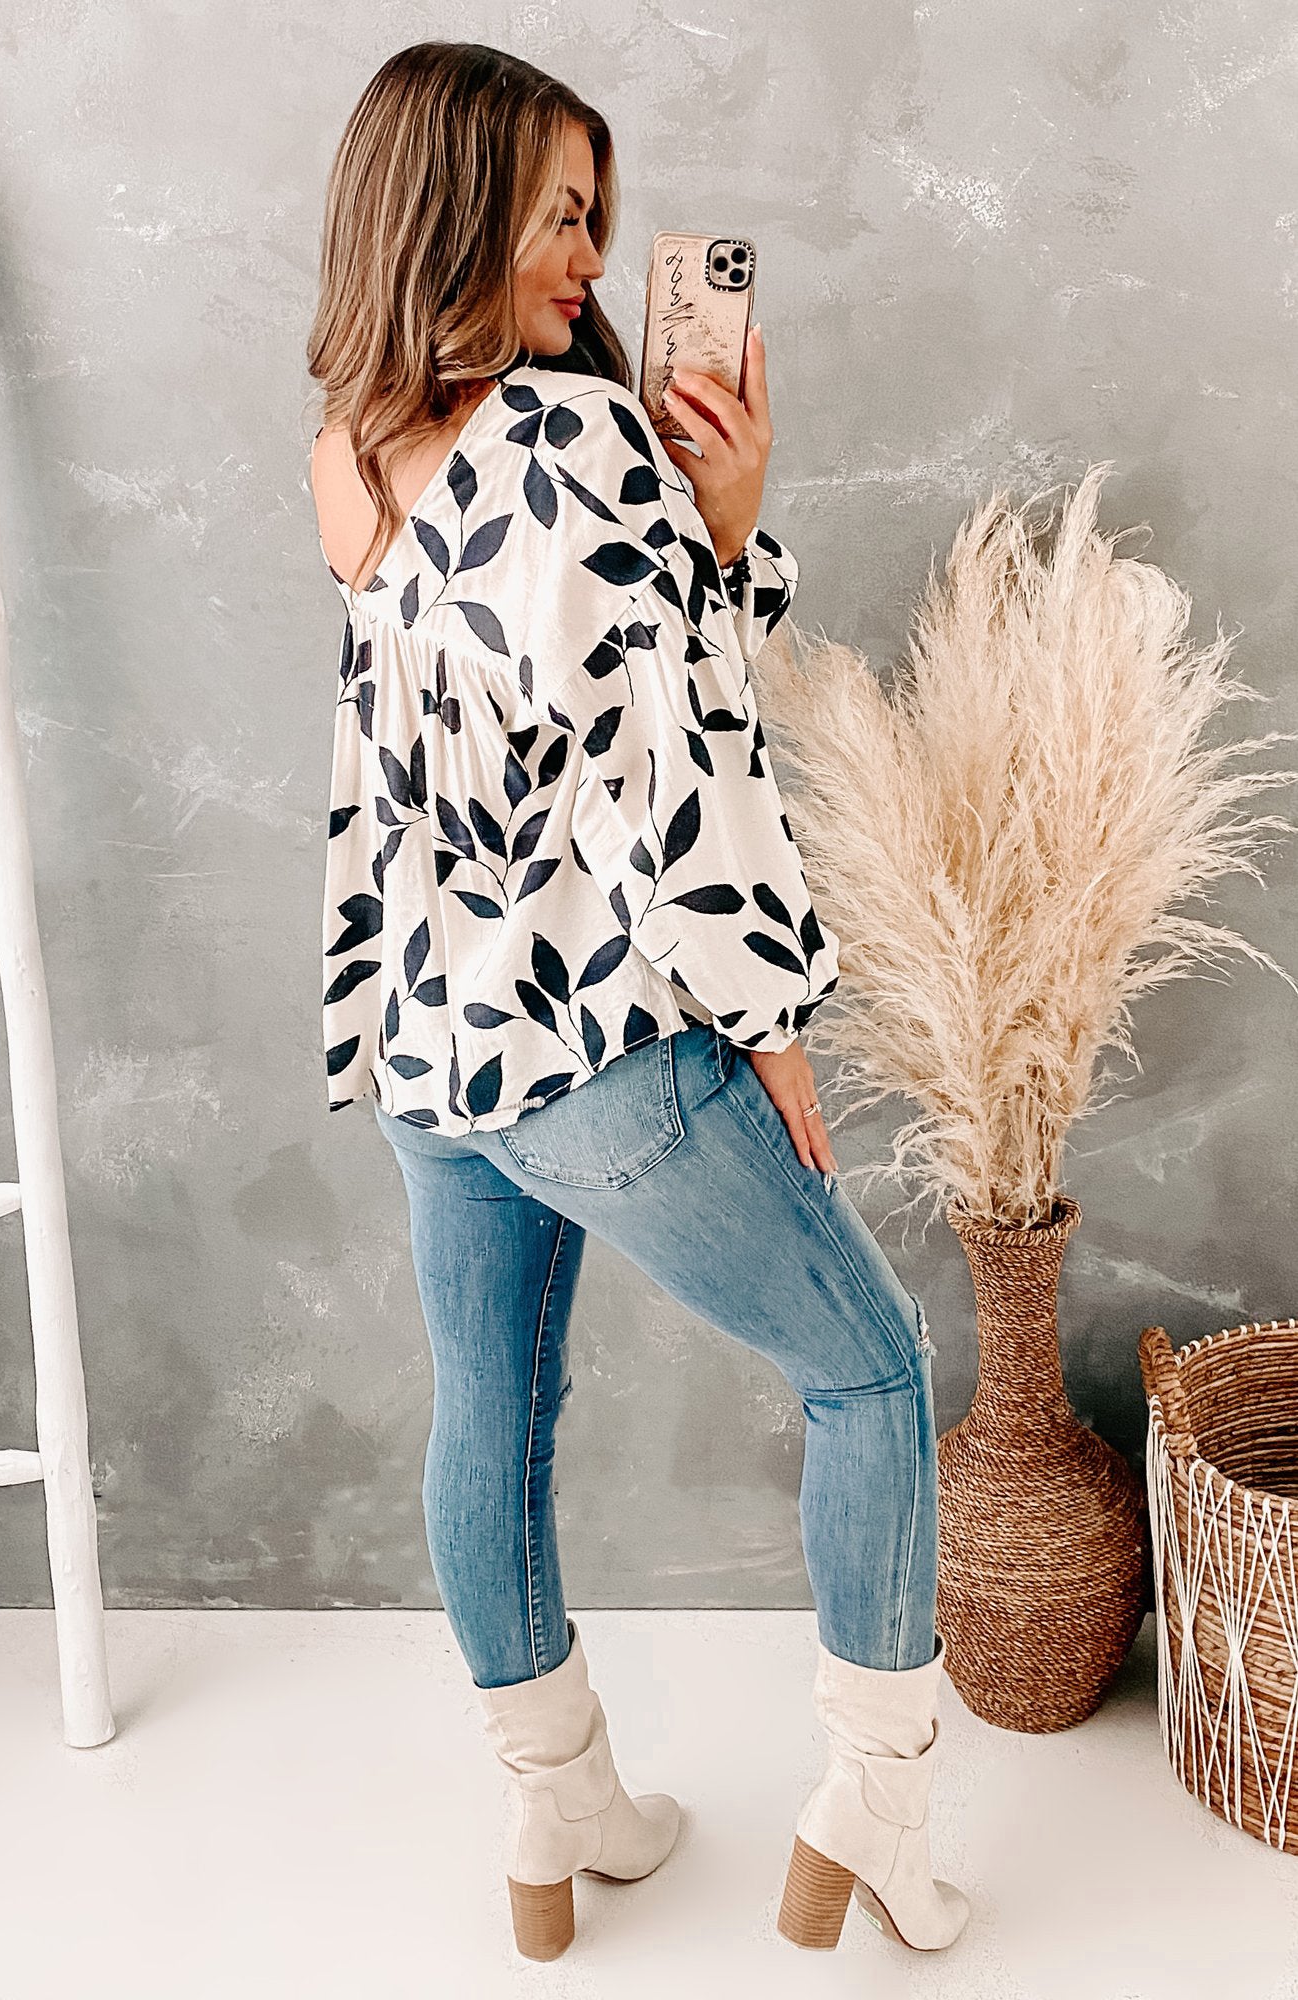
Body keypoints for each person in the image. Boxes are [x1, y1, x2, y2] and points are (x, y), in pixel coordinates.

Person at [306, 39, 969, 1967]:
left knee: (490, 1407)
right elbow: (678, 770)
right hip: (601, 1038)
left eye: (596, 218)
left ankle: (558, 1806)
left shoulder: (349, 447)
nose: (591, 260)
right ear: (452, 212)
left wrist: (717, 534)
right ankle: (880, 1807)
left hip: (437, 1038)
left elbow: (524, 720)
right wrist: (771, 1027)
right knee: (868, 1373)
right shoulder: (575, 441)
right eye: (557, 218)